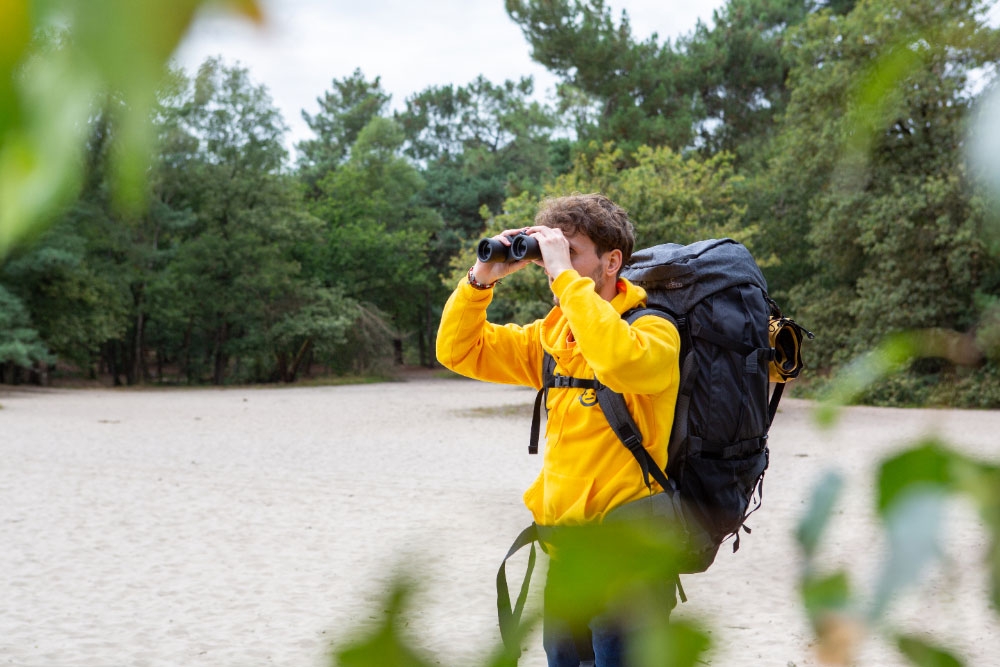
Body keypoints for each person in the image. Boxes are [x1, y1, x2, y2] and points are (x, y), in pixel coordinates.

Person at [436, 193, 682, 666]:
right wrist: (480, 280)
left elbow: (615, 359)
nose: (554, 266)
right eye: (551, 252)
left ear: (612, 262)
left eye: (570, 252)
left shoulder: (655, 333)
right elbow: (458, 351)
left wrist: (566, 279)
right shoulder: (552, 340)